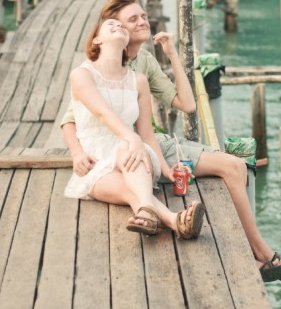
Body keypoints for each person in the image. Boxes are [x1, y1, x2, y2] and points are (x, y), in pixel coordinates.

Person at [61, 0, 281, 283]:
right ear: (110, 31)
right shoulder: (91, 71)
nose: (143, 21)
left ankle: (262, 253)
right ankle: (254, 258)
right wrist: (78, 153)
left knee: (235, 167)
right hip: (118, 150)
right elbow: (73, 119)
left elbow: (187, 105)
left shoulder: (143, 67)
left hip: (151, 148)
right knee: (137, 163)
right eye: (131, 19)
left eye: (143, 16)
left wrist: (173, 54)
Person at [64, 17, 204, 240]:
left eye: (121, 26)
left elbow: (146, 134)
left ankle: (148, 213)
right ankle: (175, 221)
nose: (118, 26)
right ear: (97, 39)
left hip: (132, 157)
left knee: (127, 150)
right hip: (95, 162)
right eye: (111, 24)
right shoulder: (81, 74)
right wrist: (133, 139)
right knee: (132, 190)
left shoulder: (138, 80)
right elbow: (102, 113)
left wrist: (166, 170)